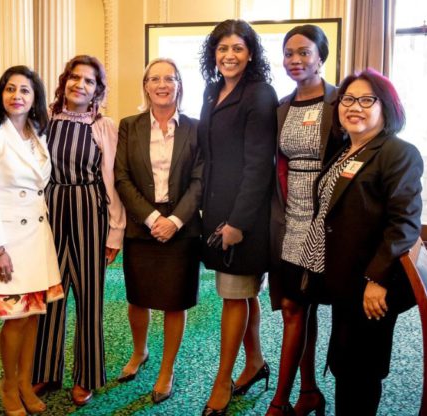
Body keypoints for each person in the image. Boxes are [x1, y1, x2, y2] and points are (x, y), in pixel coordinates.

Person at [298, 69, 422, 415]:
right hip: (345, 278)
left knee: (362, 368)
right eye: (348, 100)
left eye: (367, 100)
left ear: (387, 107)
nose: (355, 107)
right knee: (344, 360)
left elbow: (404, 224)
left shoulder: (398, 153)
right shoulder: (348, 149)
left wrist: (377, 279)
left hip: (371, 284)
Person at [31, 55, 126, 406]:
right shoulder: (43, 121)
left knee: (89, 298)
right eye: (74, 78)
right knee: (51, 293)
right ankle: (45, 371)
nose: (79, 85)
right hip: (51, 209)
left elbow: (112, 180)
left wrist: (115, 231)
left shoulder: (104, 126)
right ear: (64, 81)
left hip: (90, 210)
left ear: (97, 89)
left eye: (88, 81)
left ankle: (86, 376)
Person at [197, 19, 277, 415]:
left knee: (233, 296)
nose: (229, 55)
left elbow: (259, 164)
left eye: (238, 49)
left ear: (251, 54)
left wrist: (238, 223)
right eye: (222, 48)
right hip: (214, 211)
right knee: (243, 292)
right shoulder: (212, 90)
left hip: (242, 217)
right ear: (214, 53)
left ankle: (222, 381)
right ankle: (256, 362)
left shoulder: (260, 94)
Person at [0, 65, 64, 416]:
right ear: (1, 94)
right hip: (9, 238)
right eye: (10, 89)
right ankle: (8, 385)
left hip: (37, 236)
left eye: (24, 90)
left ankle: (26, 382)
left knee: (33, 316)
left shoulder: (37, 133)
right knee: (15, 318)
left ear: (34, 98)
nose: (17, 96)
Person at [114, 58, 203, 404]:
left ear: (179, 84)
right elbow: (121, 176)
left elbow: (199, 179)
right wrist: (152, 219)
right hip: (142, 223)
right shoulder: (129, 126)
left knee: (173, 300)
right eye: (155, 79)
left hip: (182, 225)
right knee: (138, 296)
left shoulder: (195, 128)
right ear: (146, 86)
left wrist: (175, 221)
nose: (162, 84)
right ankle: (140, 352)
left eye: (169, 78)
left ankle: (167, 368)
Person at [266, 24, 344, 416]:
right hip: (288, 222)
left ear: (321, 56)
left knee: (305, 306)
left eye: (304, 52)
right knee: (296, 308)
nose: (295, 60)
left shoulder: (341, 102)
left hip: (328, 224)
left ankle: (280, 401)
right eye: (289, 53)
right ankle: (308, 390)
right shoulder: (280, 107)